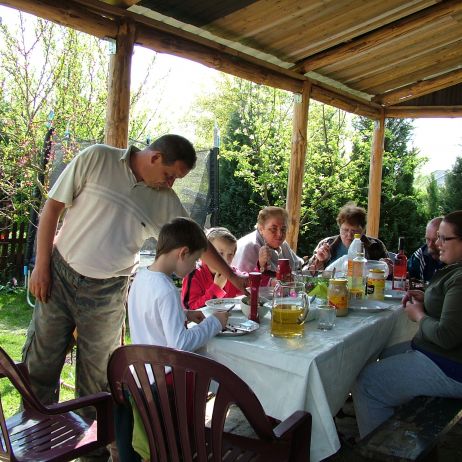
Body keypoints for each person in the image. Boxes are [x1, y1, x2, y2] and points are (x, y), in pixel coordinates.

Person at [23, 135, 245, 461]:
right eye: (171, 175)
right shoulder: (96, 158)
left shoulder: (163, 199)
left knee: (97, 382)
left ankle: (92, 455)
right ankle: (31, 448)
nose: (171, 184)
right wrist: (41, 266)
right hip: (59, 277)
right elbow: (52, 208)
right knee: (39, 367)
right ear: (155, 157)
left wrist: (234, 276)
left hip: (107, 293)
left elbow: (198, 241)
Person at [124, 217, 229, 461]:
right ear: (183, 253)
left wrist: (185, 313)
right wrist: (216, 323)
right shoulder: (167, 290)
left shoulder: (141, 278)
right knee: (177, 441)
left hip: (144, 374)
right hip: (167, 381)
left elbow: (151, 314)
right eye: (194, 261)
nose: (194, 268)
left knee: (157, 437)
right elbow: (179, 344)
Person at [352, 210, 462, 439]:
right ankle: (391, 420)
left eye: (444, 238)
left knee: (366, 385)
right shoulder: (454, 270)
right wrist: (427, 299)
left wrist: (419, 315)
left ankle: (383, 450)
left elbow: (446, 336)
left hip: (450, 366)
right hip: (440, 355)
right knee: (379, 351)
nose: (437, 244)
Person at [306, 203, 389, 272]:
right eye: (345, 230)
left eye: (355, 231)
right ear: (339, 228)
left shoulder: (376, 246)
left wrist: (388, 268)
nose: (349, 235)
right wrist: (320, 261)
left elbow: (389, 276)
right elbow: (308, 275)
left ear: (363, 231)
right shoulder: (327, 244)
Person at [232, 206, 304, 284]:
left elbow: (298, 266)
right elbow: (245, 283)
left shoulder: (282, 244)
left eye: (283, 229)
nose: (279, 234)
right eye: (273, 229)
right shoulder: (250, 246)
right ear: (261, 228)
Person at [181, 227, 244, 309]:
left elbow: (252, 287)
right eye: (220, 254)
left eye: (230, 254)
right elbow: (191, 309)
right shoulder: (193, 274)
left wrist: (262, 268)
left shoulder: (233, 273)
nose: (225, 260)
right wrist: (217, 287)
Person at [408, 216, 445, 282]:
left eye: (435, 240)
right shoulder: (420, 255)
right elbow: (404, 272)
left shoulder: (455, 260)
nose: (430, 245)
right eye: (428, 239)